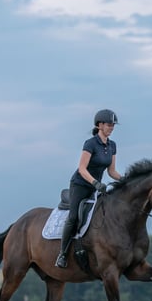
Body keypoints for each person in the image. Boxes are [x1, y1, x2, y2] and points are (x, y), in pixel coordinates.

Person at [55, 108, 122, 268]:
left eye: (113, 125)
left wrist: (125, 180)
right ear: (100, 125)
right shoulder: (90, 143)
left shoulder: (112, 145)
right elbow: (82, 169)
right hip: (80, 185)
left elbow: (111, 171)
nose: (111, 127)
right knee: (74, 217)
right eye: (109, 124)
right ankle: (62, 254)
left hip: (95, 187)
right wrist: (96, 183)